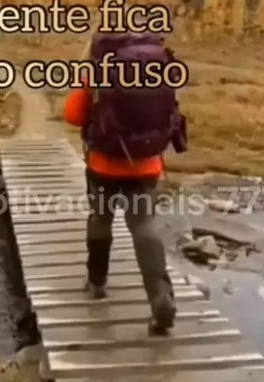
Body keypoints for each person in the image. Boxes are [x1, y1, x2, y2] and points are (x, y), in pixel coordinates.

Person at [63, 30, 187, 336]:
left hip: (103, 165)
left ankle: (96, 282)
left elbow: (72, 116)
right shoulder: (157, 67)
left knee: (101, 218)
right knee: (143, 224)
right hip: (147, 165)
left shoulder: (99, 71)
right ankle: (160, 295)